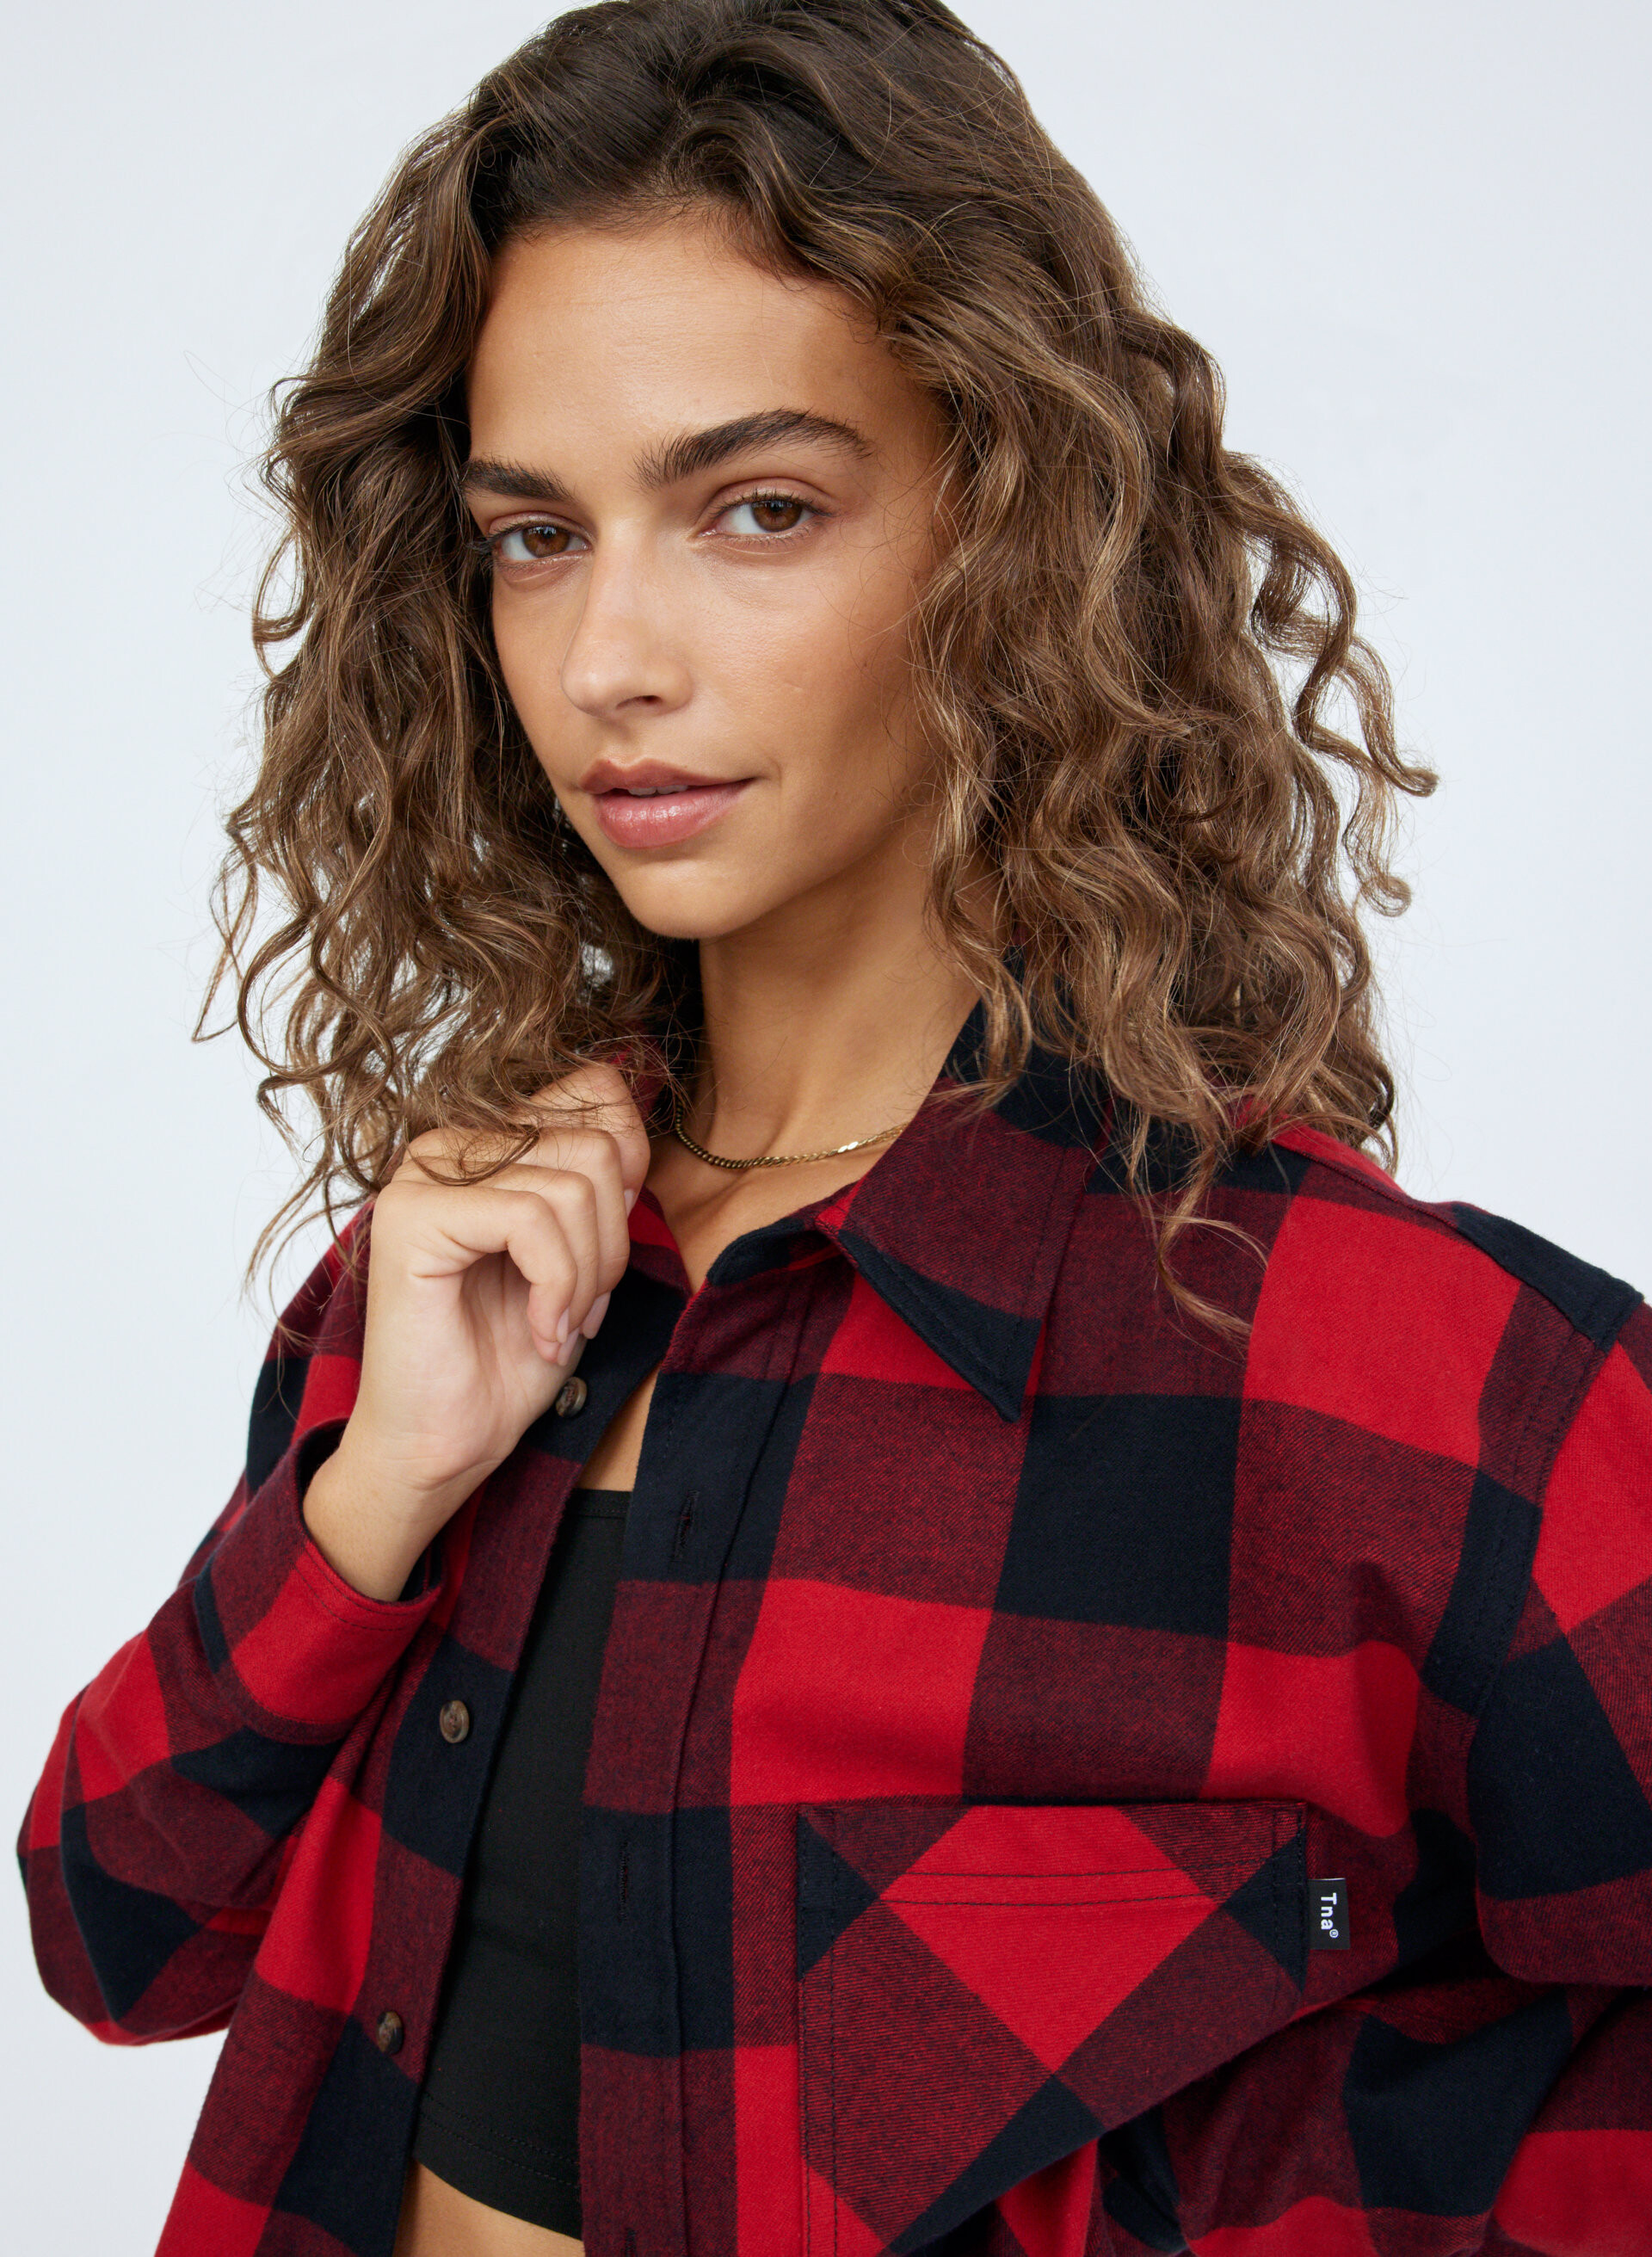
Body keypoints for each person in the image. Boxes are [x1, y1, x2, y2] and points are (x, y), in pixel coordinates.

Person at [19, 2, 1652, 2253]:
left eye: (756, 509)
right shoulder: (469, 1264)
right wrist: (376, 1488)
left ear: (1016, 527)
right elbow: (114, 1939)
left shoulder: (1418, 1384)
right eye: (535, 535)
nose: (608, 658)